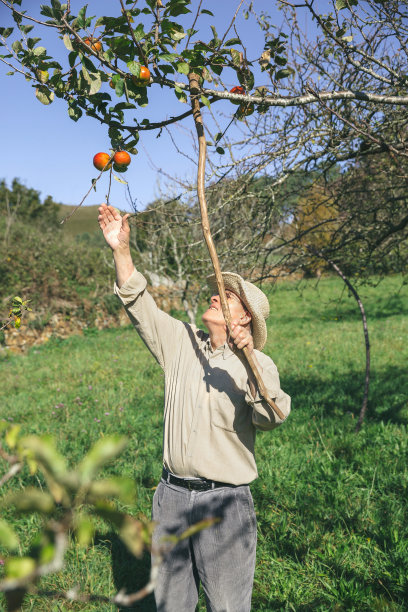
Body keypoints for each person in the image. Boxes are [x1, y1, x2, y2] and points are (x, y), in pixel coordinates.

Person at [98, 203, 291, 612]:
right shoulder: (182, 342)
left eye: (226, 295)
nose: (213, 295)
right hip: (169, 497)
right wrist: (120, 249)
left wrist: (248, 361)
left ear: (246, 318)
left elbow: (272, 416)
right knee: (171, 605)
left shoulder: (258, 366)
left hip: (224, 504)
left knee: (227, 607)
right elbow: (139, 303)